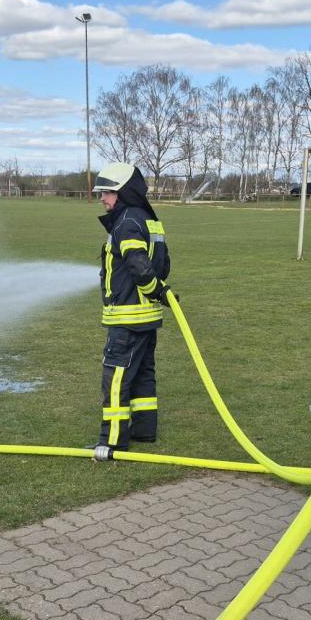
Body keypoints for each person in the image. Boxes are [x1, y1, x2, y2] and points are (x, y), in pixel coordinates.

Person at [90, 162, 175, 455]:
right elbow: (164, 265)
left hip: (127, 318)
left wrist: (154, 289)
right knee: (142, 375)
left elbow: (139, 264)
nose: (103, 198)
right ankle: (144, 431)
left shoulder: (126, 222)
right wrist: (158, 292)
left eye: (108, 192)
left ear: (123, 192)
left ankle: (112, 441)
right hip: (148, 319)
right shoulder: (149, 220)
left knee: (115, 380)